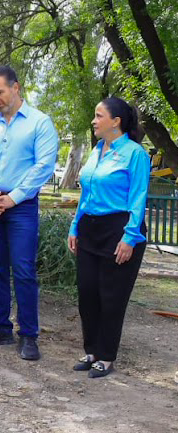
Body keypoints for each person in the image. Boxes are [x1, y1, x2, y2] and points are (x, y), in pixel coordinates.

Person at [0, 65, 58, 360]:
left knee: (23, 270)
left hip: (21, 207)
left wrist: (13, 199)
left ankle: (29, 335)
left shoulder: (39, 123)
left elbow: (43, 167)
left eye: (0, 91)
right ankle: (0, 329)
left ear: (16, 88)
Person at [67, 97, 149, 378]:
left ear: (116, 121)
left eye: (98, 115)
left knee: (111, 296)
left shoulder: (135, 154)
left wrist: (130, 236)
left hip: (120, 229)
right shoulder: (97, 150)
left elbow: (138, 197)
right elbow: (86, 193)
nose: (94, 121)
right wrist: (75, 226)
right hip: (90, 228)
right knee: (87, 292)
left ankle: (106, 356)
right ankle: (91, 351)